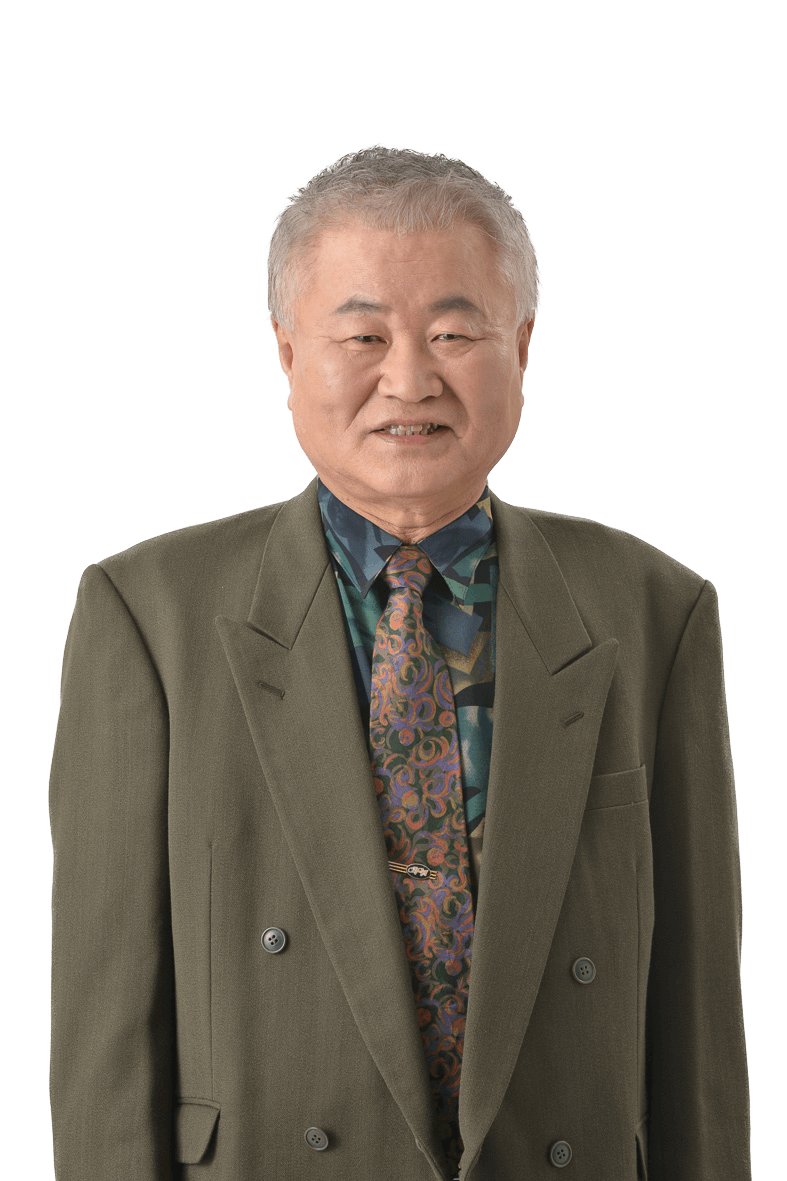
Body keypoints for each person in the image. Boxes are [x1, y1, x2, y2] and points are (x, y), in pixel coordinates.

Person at [49, 145, 749, 1180]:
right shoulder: (148, 612)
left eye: (454, 333)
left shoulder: (654, 608)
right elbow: (104, 1029)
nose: (410, 379)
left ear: (522, 344)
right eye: (364, 334)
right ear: (289, 350)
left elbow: (698, 1021)